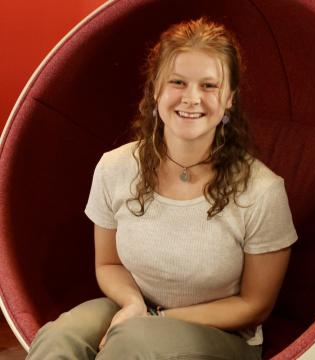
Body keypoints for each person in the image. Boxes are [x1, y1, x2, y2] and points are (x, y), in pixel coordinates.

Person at [27, 17, 297, 360]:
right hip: (134, 308)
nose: (192, 98)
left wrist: (156, 320)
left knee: (132, 344)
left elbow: (253, 305)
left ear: (229, 98)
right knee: (58, 338)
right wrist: (133, 305)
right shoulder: (115, 167)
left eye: (209, 86)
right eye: (178, 82)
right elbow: (108, 265)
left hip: (223, 335)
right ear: (156, 89)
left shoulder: (262, 190)